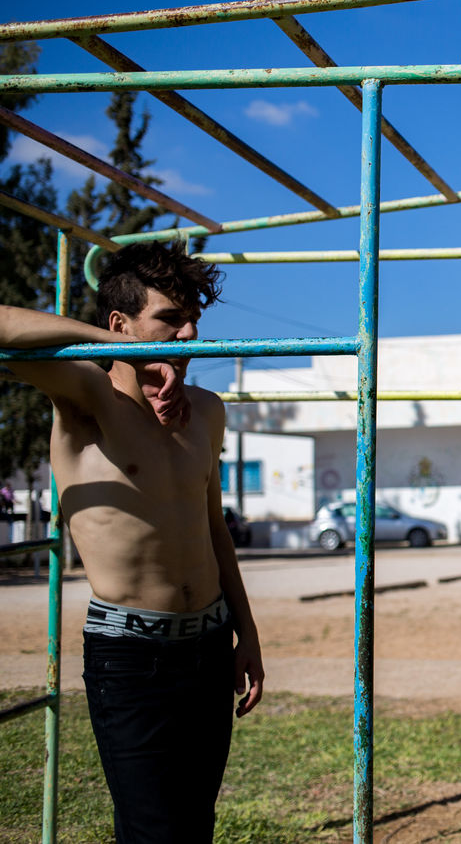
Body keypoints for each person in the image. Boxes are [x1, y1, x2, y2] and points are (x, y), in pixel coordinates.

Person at [0, 243, 264, 843]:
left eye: (193, 318)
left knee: (193, 826)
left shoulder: (206, 411)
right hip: (131, 656)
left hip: (209, 645)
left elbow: (213, 529)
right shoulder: (87, 397)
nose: (189, 333)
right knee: (153, 832)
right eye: (170, 319)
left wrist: (246, 633)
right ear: (121, 325)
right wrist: (116, 349)